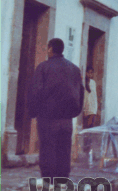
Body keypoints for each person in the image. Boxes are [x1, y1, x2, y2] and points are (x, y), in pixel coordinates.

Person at [28, 37, 84, 182]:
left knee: (48, 147)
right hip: (66, 118)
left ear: (50, 49)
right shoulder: (74, 69)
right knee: (64, 148)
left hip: (47, 116)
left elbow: (36, 91)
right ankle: (62, 178)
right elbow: (81, 92)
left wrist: (33, 111)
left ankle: (48, 179)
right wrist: (75, 112)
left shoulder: (43, 67)